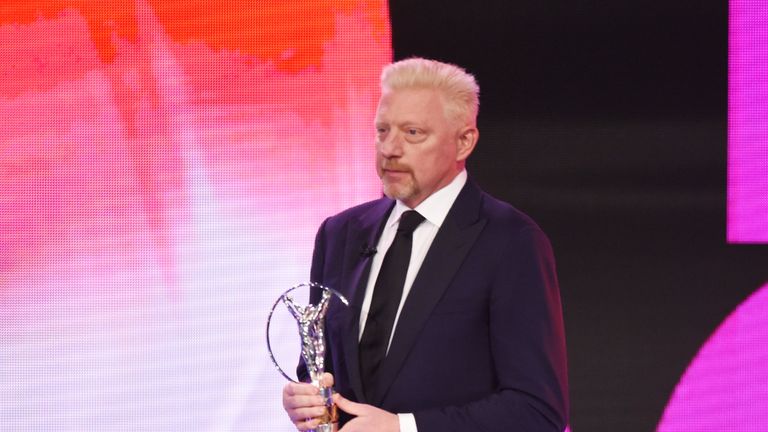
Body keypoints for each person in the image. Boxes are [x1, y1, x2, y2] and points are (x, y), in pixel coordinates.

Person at [282, 58, 568, 432]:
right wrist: (306, 401)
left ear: (464, 141)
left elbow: (537, 411)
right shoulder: (340, 234)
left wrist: (405, 428)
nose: (390, 148)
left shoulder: (512, 243)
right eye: (382, 130)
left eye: (413, 133)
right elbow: (319, 369)